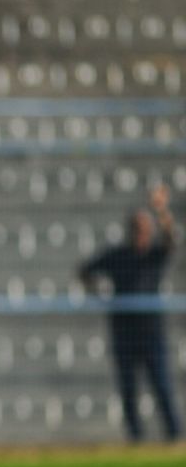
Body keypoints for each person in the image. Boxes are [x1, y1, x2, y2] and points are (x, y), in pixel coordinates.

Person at [79, 185, 181, 442]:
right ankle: (136, 438)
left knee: (161, 385)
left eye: (144, 228)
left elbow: (171, 239)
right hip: (124, 331)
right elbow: (85, 271)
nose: (140, 233)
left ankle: (174, 436)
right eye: (136, 228)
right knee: (128, 389)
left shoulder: (153, 255)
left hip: (151, 332)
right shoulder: (118, 255)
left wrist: (161, 209)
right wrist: (96, 290)